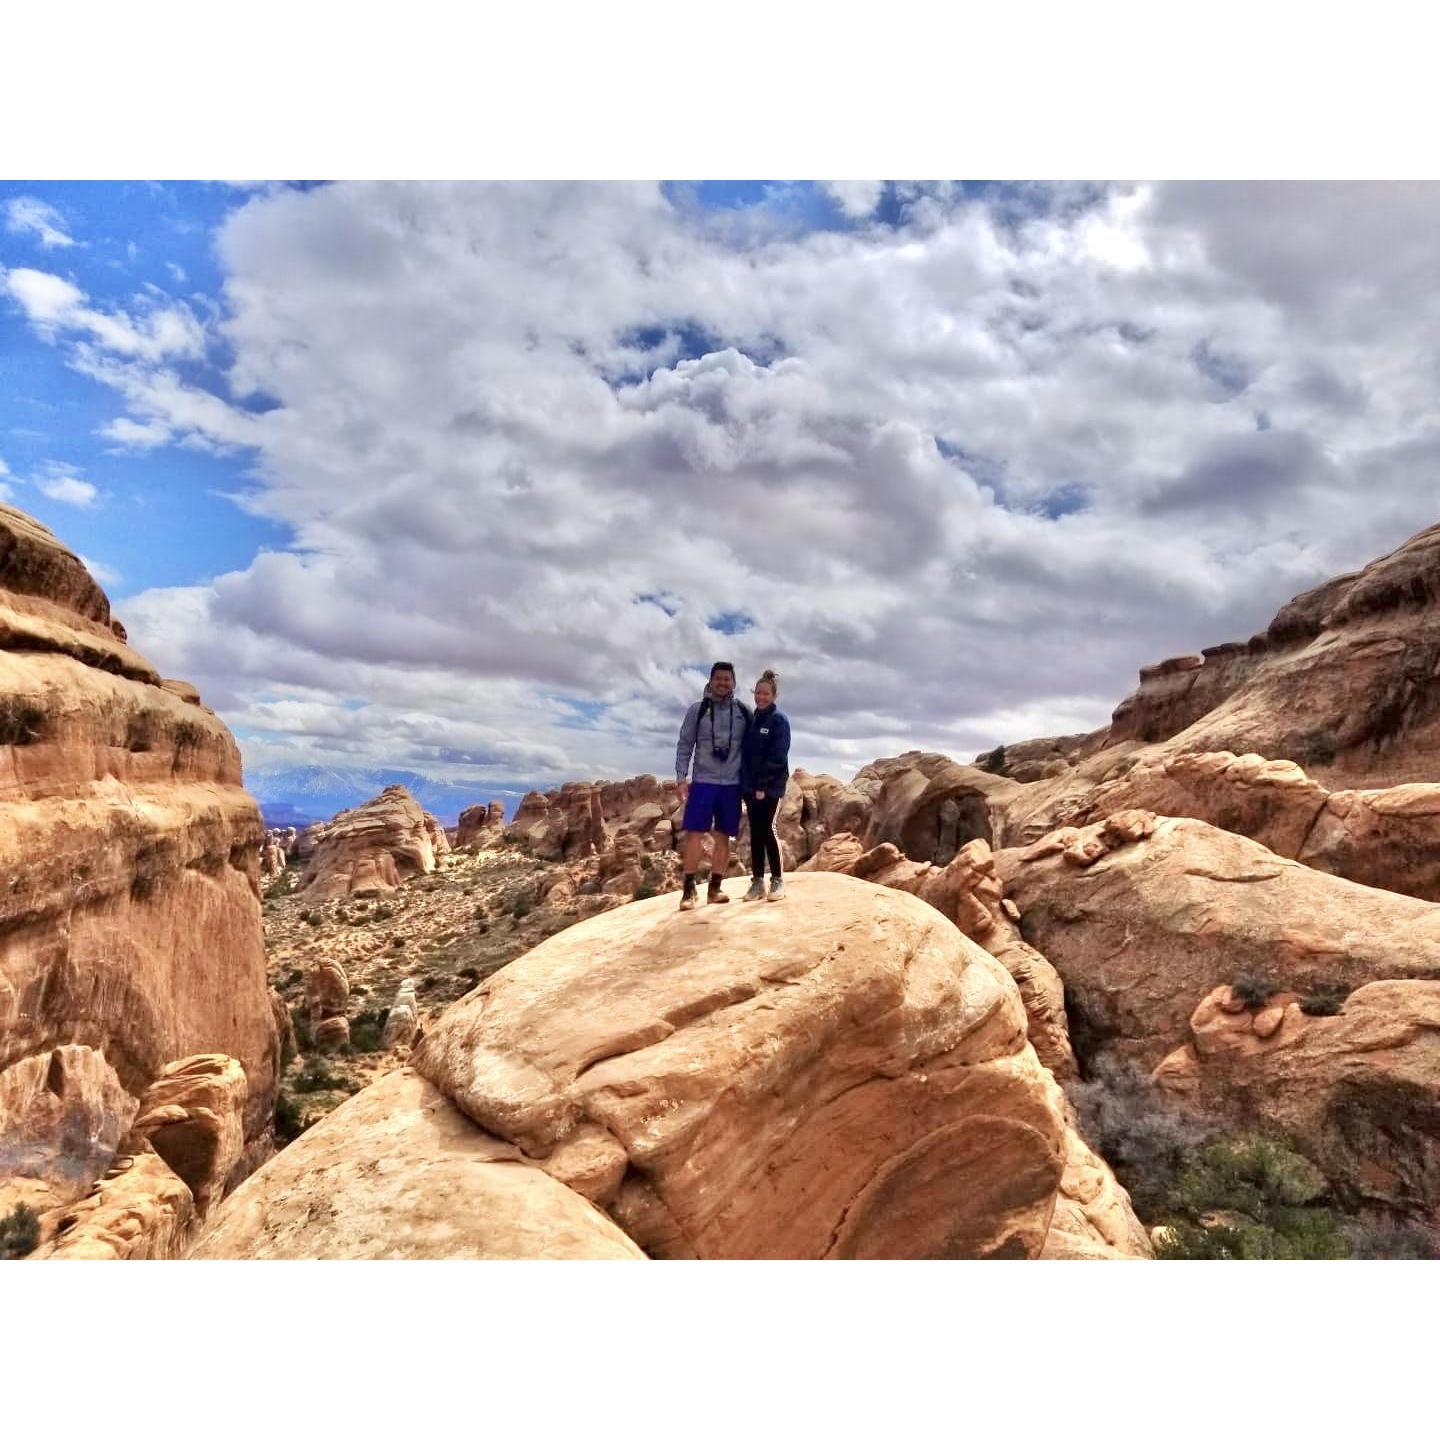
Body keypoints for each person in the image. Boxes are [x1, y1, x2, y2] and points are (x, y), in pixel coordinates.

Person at [674, 661, 751, 911]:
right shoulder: (697, 710)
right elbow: (685, 744)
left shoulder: (743, 712)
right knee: (695, 835)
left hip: (732, 784)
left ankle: (714, 889)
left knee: (723, 837)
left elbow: (753, 748)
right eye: (718, 678)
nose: (722, 683)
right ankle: (688, 891)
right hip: (703, 782)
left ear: (734, 683)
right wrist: (680, 778)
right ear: (710, 681)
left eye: (727, 679)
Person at [740, 668, 790, 901]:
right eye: (758, 693)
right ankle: (757, 882)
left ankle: (778, 881)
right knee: (755, 833)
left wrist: (762, 785)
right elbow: (746, 756)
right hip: (750, 788)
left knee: (768, 829)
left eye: (766, 694)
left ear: (773, 696)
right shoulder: (752, 720)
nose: (761, 697)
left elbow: (778, 757)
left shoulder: (778, 720)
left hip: (770, 787)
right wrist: (746, 786)